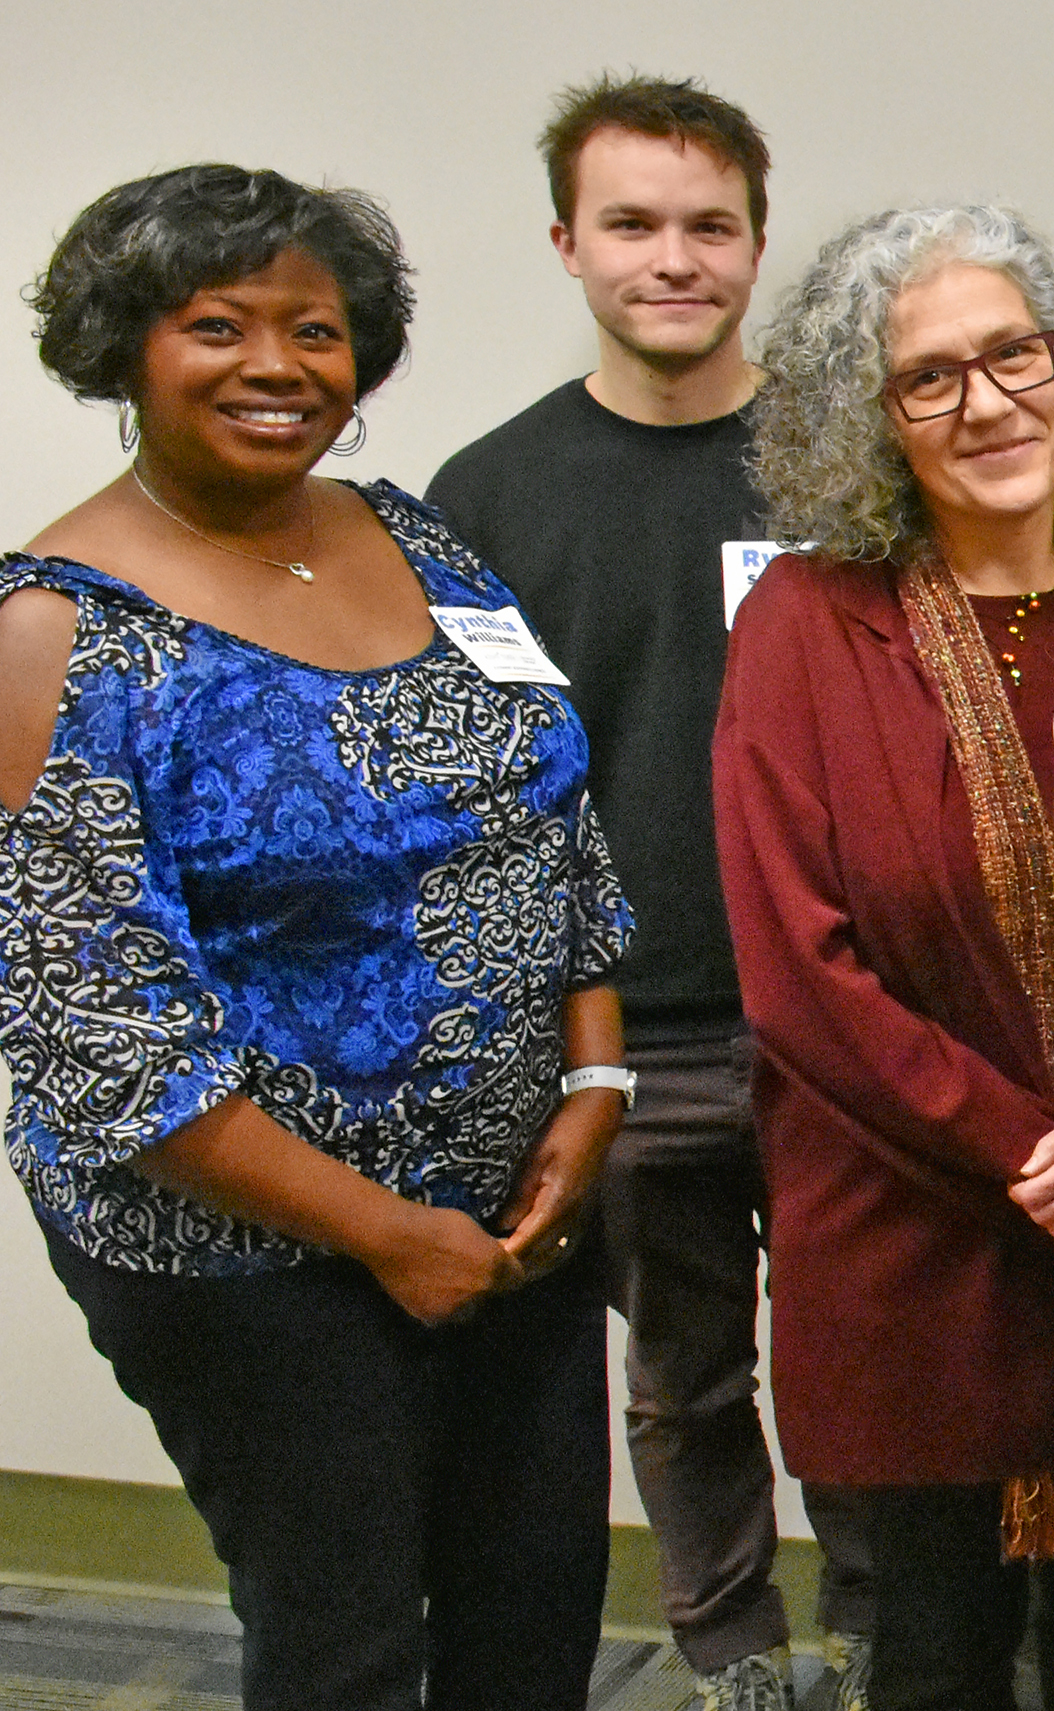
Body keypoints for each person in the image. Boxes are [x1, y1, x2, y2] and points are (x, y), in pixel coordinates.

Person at [2, 165, 631, 1711]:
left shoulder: (408, 532)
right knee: (346, 1643)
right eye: (219, 325)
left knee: (533, 1615)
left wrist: (595, 1087)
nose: (279, 365)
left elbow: (550, 809)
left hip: (513, 1208)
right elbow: (100, 1034)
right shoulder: (56, 626)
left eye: (318, 329)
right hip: (249, 1254)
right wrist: (382, 1230)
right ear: (125, 347)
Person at [422, 74, 867, 1709]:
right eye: (632, 224)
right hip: (628, 1029)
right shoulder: (485, 496)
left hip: (843, 1015)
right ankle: (732, 1649)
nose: (671, 259)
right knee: (683, 1380)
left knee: (864, 1361)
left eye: (707, 225)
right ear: (567, 242)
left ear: (756, 241)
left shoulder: (847, 469)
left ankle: (886, 1629)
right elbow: (474, 803)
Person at [714, 204, 1054, 1711]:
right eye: (930, 378)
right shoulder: (804, 619)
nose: (986, 403)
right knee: (935, 1648)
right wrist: (1035, 1149)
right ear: (872, 418)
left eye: (1012, 354)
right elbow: (801, 969)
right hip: (913, 1234)